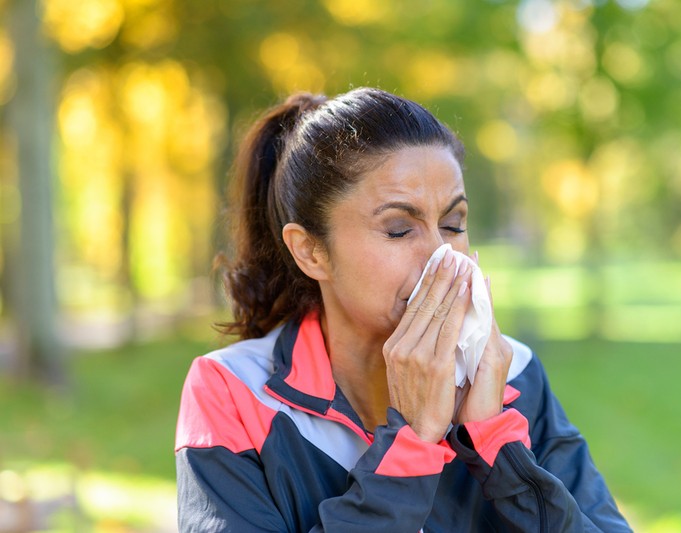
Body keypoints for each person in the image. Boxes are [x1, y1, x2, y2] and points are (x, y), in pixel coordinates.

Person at [175, 87, 632, 532]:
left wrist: (496, 444)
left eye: (453, 224)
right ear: (311, 251)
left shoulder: (514, 374)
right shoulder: (232, 392)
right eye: (398, 229)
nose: (441, 256)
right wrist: (411, 444)